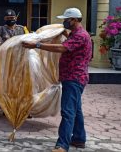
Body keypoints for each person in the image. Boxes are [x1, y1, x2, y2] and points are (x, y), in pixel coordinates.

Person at [22, 8, 91, 152]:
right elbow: (69, 43)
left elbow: (62, 48)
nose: (64, 22)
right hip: (73, 77)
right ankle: (79, 139)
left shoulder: (81, 36)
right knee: (76, 110)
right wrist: (63, 34)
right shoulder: (75, 34)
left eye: (66, 19)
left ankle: (62, 145)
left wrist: (37, 45)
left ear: (75, 20)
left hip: (74, 77)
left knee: (67, 112)